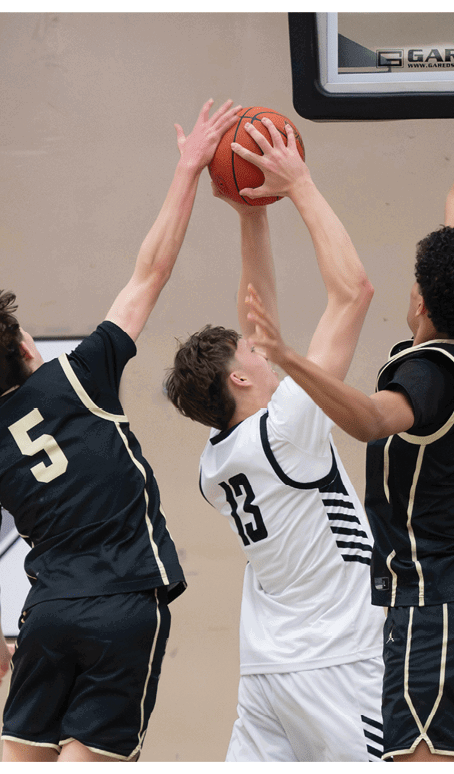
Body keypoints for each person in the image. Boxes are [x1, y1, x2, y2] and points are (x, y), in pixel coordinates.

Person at [242, 16, 454, 762]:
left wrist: (289, 359)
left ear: (424, 302)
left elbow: (370, 420)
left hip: (432, 621)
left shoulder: (427, 375)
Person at [0, 98, 243, 762]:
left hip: (47, 617)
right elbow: (150, 271)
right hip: (123, 604)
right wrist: (187, 169)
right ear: (22, 343)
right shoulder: (80, 374)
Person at [164, 116, 384, 761]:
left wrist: (249, 213)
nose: (262, 348)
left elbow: (255, 314)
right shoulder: (288, 426)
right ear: (239, 376)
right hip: (339, 664)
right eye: (250, 352)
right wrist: (299, 185)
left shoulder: (214, 463)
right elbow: (354, 293)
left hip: (266, 675)